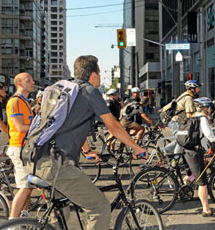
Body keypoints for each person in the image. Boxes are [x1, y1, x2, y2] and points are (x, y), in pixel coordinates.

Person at [33, 55, 147, 230]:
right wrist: (137, 148)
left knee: (61, 211)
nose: (100, 77)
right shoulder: (88, 91)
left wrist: (86, 151)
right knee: (99, 207)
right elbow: (114, 126)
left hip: (38, 158)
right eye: (100, 73)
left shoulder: (66, 89)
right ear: (93, 75)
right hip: (58, 165)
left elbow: (67, 125)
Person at [184, 97, 215, 217]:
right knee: (202, 183)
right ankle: (206, 210)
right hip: (194, 152)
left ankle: (186, 189)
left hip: (187, 149)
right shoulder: (202, 118)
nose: (210, 110)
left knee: (192, 174)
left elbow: (202, 132)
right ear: (205, 108)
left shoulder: (192, 117)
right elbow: (208, 135)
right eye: (209, 108)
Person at [6, 73, 35, 219]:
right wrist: (41, 127)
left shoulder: (25, 101)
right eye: (27, 80)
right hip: (19, 147)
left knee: (28, 187)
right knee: (24, 187)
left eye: (31, 79)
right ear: (19, 84)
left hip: (25, 148)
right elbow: (20, 127)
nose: (32, 82)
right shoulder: (15, 102)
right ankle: (12, 223)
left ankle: (23, 217)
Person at [164, 80, 201, 154]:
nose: (199, 90)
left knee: (179, 140)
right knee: (182, 141)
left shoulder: (185, 94)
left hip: (176, 121)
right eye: (198, 88)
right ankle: (175, 161)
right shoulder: (189, 98)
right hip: (176, 121)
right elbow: (189, 115)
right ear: (192, 89)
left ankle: (164, 151)